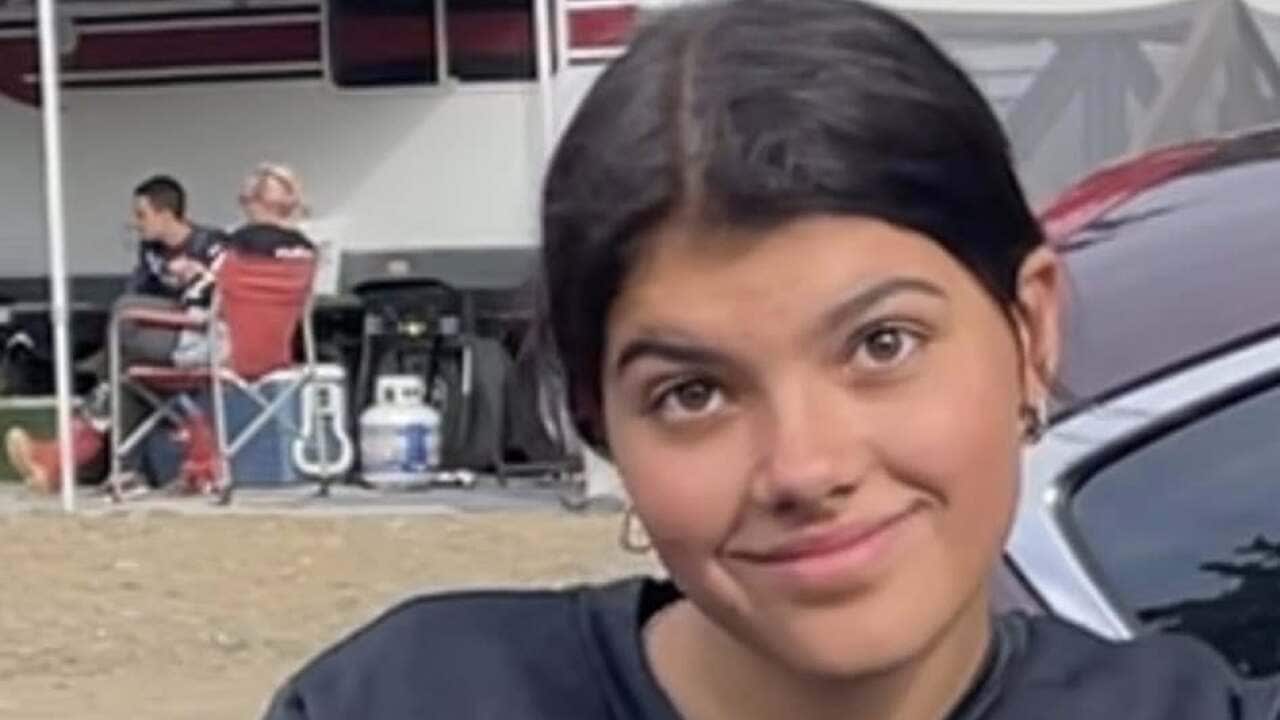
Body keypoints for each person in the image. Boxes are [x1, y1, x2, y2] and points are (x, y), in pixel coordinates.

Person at [263, 2, 1280, 719]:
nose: (803, 466)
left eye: (882, 345)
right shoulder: (411, 702)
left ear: (1030, 332)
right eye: (691, 393)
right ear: (595, 419)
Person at [5, 175, 227, 493]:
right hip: (160, 340)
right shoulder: (151, 251)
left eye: (142, 215)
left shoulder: (211, 245)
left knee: (122, 323)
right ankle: (122, 472)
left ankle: (59, 457)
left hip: (201, 340)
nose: (136, 224)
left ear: (166, 214)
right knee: (124, 370)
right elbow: (139, 292)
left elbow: (217, 299)